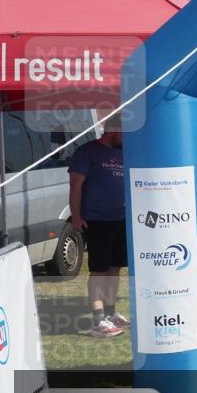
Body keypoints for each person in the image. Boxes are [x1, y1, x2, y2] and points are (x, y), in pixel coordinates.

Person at [68, 114, 130, 338]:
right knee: (99, 270)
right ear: (113, 130)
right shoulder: (87, 152)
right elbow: (75, 186)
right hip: (96, 220)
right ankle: (98, 320)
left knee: (115, 268)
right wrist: (76, 217)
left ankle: (111, 314)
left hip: (121, 219)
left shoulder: (123, 151)